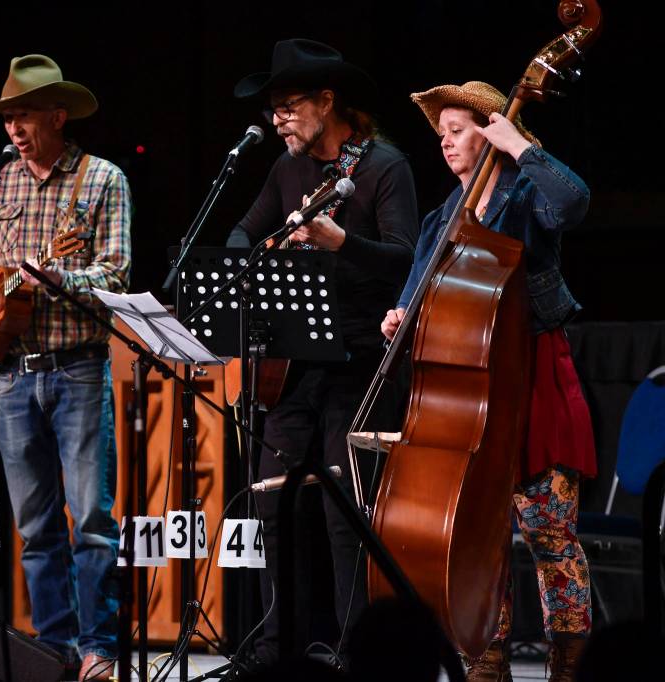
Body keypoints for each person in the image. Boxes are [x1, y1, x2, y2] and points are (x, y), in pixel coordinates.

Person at [381, 81, 597, 681]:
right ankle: (484, 660)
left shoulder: (527, 196)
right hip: (468, 399)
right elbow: (415, 302)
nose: (446, 143)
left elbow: (574, 203)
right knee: (479, 539)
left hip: (533, 377)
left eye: (458, 131)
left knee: (551, 535)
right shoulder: (440, 221)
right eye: (441, 135)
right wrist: (398, 317)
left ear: (490, 132)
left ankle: (570, 664)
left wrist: (520, 146)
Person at [226, 39, 419, 671]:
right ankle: (275, 649)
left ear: (326, 101)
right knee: (269, 500)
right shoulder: (287, 169)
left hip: (360, 360)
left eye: (288, 107)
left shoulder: (384, 167)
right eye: (274, 110)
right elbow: (244, 229)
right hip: (292, 363)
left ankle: (353, 653)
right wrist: (247, 256)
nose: (278, 120)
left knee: (345, 513)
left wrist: (343, 243)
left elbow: (407, 260)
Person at [0, 54, 131, 682]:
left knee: (91, 520)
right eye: (7, 119)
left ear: (57, 115)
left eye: (23, 116)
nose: (14, 129)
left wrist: (57, 278)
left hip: (78, 370)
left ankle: (97, 649)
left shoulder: (102, 179)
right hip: (12, 373)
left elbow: (115, 275)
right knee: (35, 525)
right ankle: (53, 650)